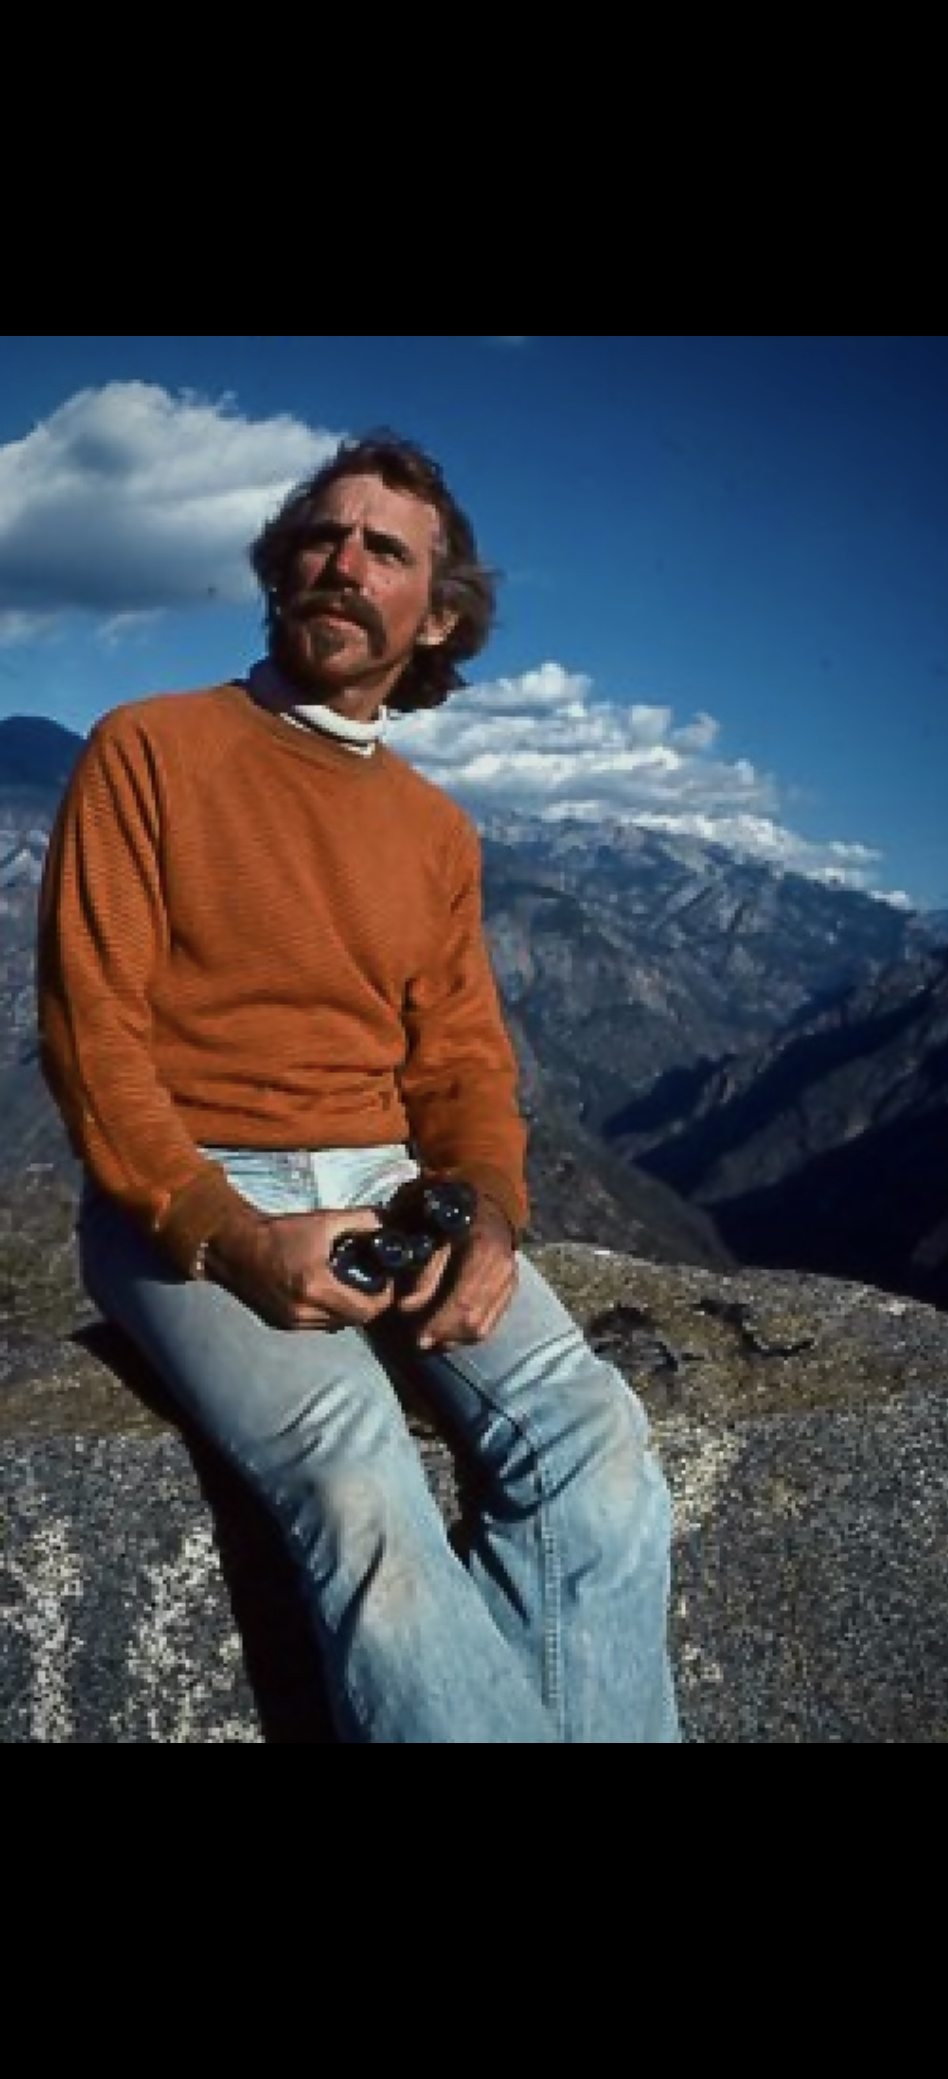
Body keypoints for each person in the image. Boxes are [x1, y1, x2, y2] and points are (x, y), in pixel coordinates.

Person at [37, 429, 681, 1745]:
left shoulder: (438, 830)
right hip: (205, 1185)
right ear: (281, 570)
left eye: (385, 549)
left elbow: (462, 1064)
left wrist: (491, 1219)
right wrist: (229, 1236)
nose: (343, 562)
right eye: (321, 538)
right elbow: (95, 1038)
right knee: (357, 1478)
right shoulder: (149, 748)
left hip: (394, 1185)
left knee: (598, 1451)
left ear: (438, 616)